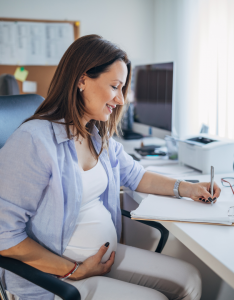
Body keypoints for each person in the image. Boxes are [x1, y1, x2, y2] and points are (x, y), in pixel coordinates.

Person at [0, 34, 221, 300]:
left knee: (190, 280)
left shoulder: (95, 135)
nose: (121, 100)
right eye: (115, 86)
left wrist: (188, 188)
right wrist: (74, 270)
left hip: (100, 259)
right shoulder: (34, 140)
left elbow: (136, 176)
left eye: (122, 89)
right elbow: (4, 235)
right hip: (55, 277)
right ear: (82, 80)